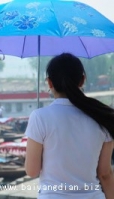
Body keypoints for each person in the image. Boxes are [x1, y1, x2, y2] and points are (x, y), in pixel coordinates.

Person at [25, 53, 114, 199]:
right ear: (82, 81)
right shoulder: (102, 116)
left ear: (49, 83)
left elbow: (32, 171)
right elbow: (105, 174)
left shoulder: (39, 117)